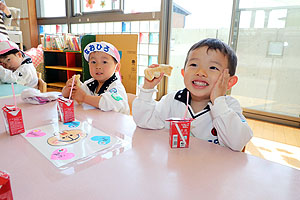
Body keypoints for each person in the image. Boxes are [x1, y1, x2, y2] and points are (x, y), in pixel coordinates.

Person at [132, 38, 253, 151]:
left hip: (212, 170)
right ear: (183, 73)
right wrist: (147, 88)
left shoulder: (229, 106)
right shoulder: (172, 100)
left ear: (229, 81)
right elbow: (144, 121)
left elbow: (238, 143)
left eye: (213, 67)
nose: (200, 72)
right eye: (194, 65)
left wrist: (218, 102)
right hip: (176, 166)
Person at [62, 41, 130, 115]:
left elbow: (109, 102)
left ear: (117, 67)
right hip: (98, 123)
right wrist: (69, 89)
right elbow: (77, 95)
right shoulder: (90, 84)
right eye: (93, 62)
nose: (98, 66)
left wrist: (84, 97)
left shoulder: (116, 86)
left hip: (116, 124)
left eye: (104, 62)